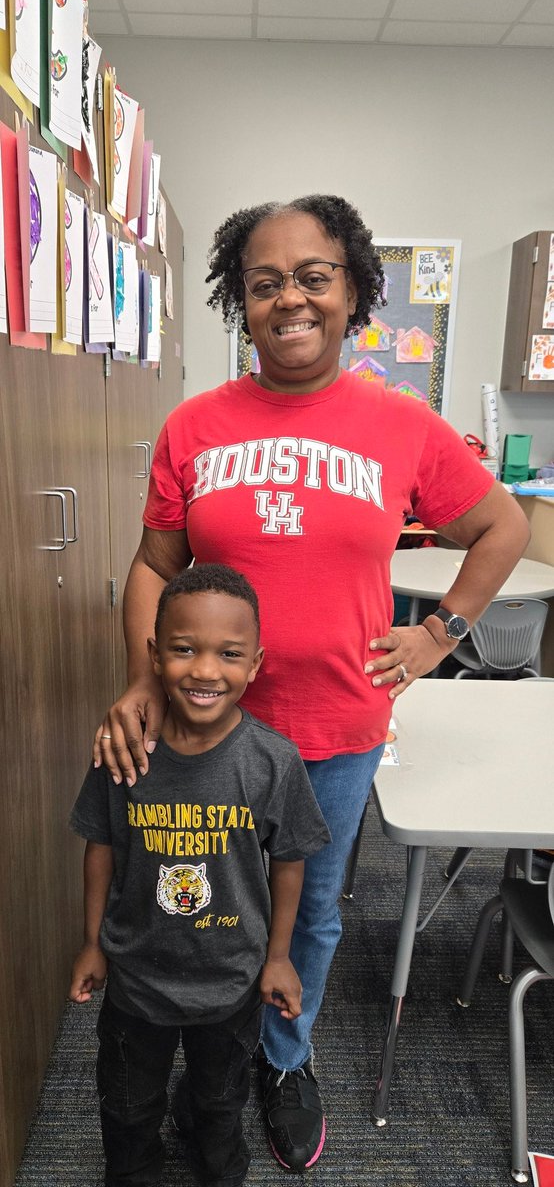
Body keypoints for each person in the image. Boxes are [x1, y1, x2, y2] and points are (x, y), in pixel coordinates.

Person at [94, 194, 530, 1174]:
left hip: (334, 729)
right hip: (203, 728)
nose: (288, 298)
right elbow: (155, 565)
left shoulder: (401, 426)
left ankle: (283, 1058)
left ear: (352, 291)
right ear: (239, 302)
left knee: (313, 909)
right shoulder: (195, 426)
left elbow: (501, 527)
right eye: (264, 283)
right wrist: (139, 679)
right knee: (194, 893)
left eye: (312, 276)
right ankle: (200, 1049)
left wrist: (440, 633)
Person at [71, 563, 330, 1187]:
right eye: (185, 649)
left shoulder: (272, 760)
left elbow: (289, 861)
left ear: (256, 663)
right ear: (155, 655)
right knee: (128, 1107)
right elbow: (100, 846)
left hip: (230, 981)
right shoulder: (124, 751)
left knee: (219, 1105)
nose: (206, 670)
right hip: (137, 980)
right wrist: (92, 943)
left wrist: (278, 957)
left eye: (229, 654)